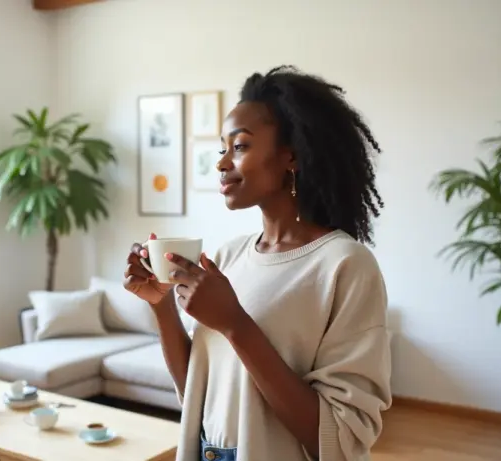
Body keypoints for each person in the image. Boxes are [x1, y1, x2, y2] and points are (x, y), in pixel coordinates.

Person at [123, 65, 392, 461]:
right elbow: (199, 394)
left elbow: (340, 442)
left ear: (292, 156)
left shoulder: (346, 266)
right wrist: (161, 304)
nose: (221, 163)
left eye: (241, 146)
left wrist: (235, 324)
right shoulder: (228, 257)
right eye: (222, 149)